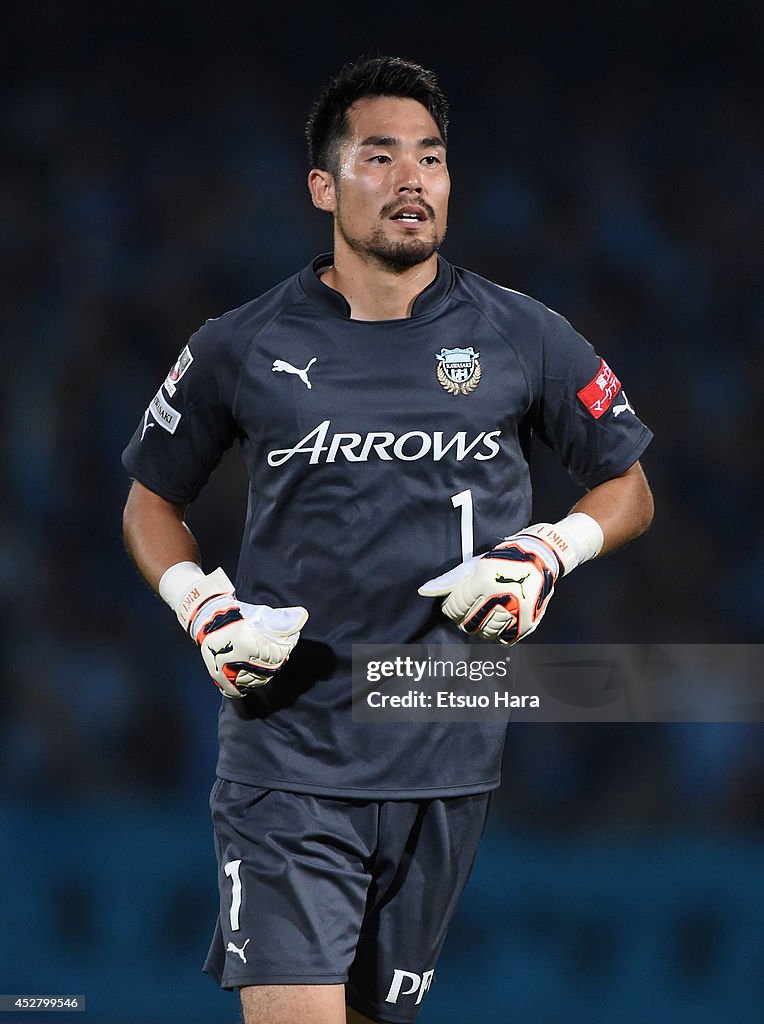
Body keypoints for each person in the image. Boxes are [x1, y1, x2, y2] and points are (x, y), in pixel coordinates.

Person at [121, 56, 654, 1024]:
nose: (412, 179)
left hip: (447, 748)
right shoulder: (239, 343)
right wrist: (200, 607)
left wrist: (549, 551)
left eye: (432, 158)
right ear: (323, 186)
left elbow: (627, 483)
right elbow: (149, 500)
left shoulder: (524, 335)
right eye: (380, 157)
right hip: (289, 754)